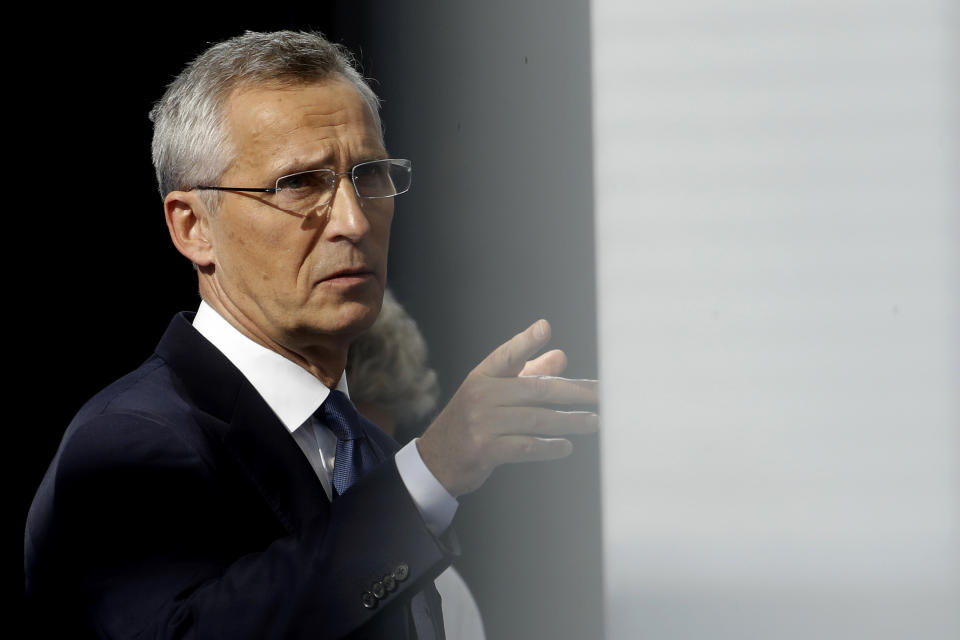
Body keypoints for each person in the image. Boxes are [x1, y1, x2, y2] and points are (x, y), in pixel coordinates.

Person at [24, 30, 597, 639]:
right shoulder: (131, 441)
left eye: (370, 174)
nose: (353, 221)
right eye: (299, 183)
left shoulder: (365, 452)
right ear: (193, 227)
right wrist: (432, 469)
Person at [348, 289, 485, 640]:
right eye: (344, 459)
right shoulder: (238, 573)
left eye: (380, 458)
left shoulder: (445, 594)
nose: (362, 485)